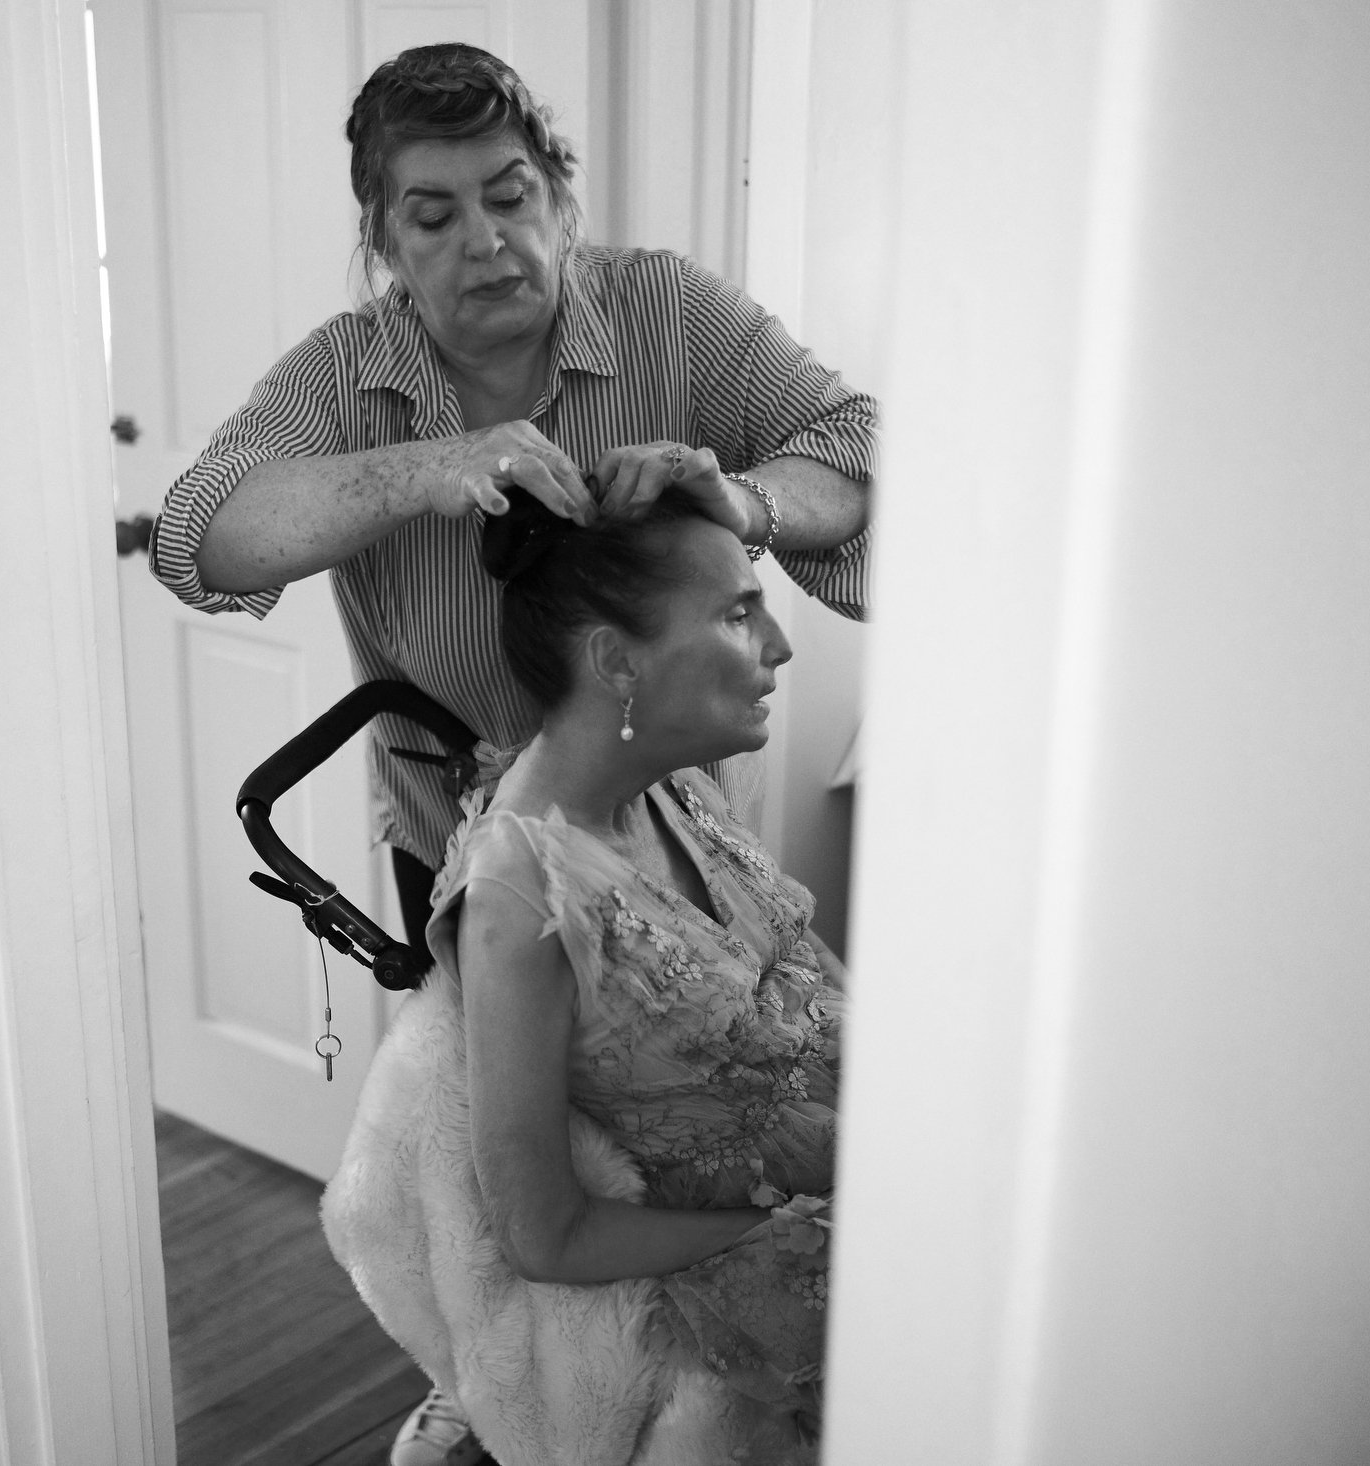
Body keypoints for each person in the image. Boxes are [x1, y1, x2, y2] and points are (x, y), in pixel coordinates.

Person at [147, 41, 874, 1465]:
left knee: (687, 1116)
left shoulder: (666, 311)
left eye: (513, 193)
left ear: (561, 195)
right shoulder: (349, 379)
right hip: (473, 848)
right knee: (516, 1182)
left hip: (673, 846)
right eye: (435, 214)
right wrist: (421, 471)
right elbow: (194, 532)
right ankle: (509, 1375)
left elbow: (853, 444)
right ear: (384, 243)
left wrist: (747, 496)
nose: (487, 240)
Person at [321, 490, 841, 1462]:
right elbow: (543, 1234)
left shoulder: (672, 787)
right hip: (774, 1289)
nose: (778, 644)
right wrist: (807, 1212)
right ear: (614, 659)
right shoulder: (521, 900)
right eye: (737, 612)